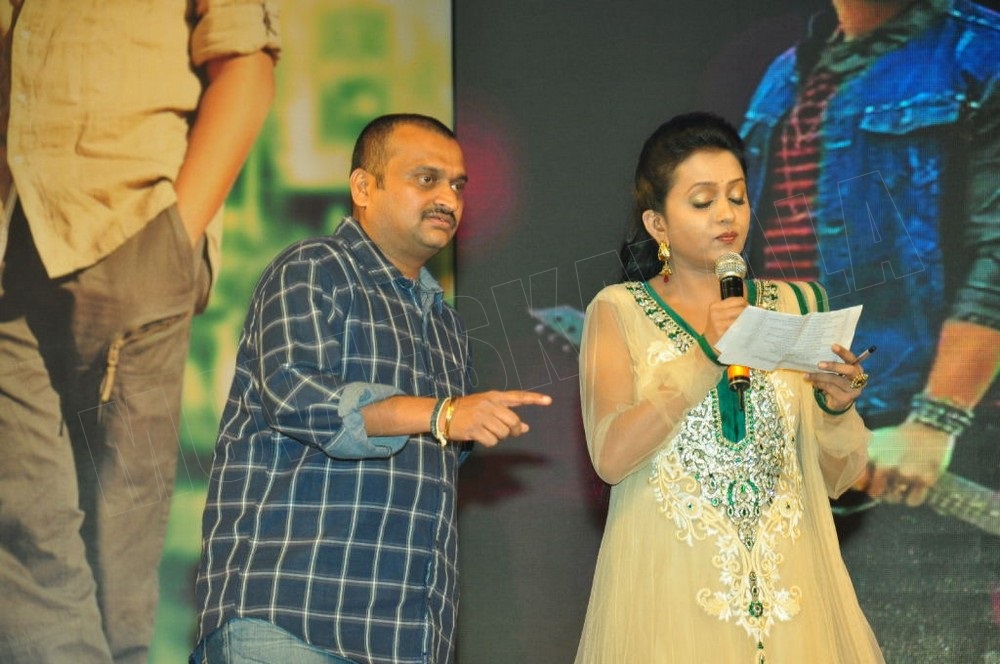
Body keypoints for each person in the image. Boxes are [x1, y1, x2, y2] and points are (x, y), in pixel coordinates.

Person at [191, 113, 553, 663]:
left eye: (458, 186)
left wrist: (451, 421)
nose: (448, 199)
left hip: (406, 636)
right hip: (290, 619)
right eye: (426, 179)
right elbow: (297, 397)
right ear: (364, 187)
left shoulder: (447, 326)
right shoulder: (313, 268)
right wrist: (441, 414)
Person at [0, 2, 278, 662]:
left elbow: (245, 62)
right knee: (22, 538)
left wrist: (173, 242)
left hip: (127, 231)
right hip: (10, 242)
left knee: (115, 561)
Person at [574, 112, 883, 663]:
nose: (726, 214)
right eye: (703, 201)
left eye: (737, 197)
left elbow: (840, 477)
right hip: (672, 602)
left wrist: (836, 408)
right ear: (657, 224)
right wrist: (705, 356)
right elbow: (611, 457)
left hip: (793, 601)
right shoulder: (618, 310)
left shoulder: (799, 305)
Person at [740, 1, 999, 657]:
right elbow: (764, 258)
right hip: (799, 443)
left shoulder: (982, 55)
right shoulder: (786, 75)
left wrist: (935, 420)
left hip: (921, 449)